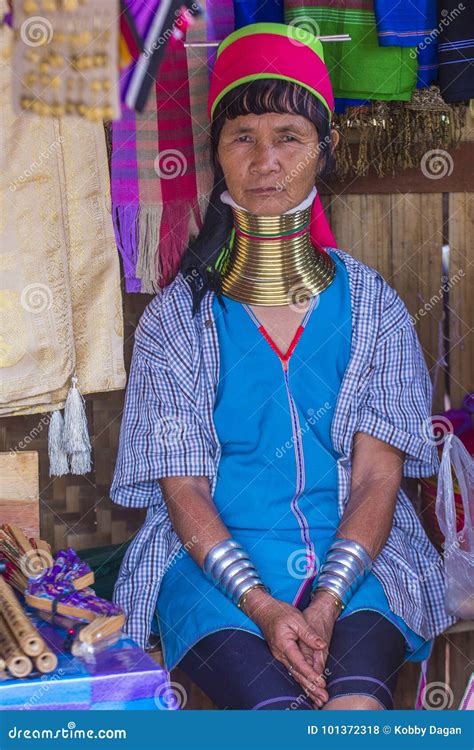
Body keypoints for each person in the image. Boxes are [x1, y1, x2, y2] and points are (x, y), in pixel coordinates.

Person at [110, 23, 457, 710]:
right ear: (217, 154)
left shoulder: (373, 308)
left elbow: (377, 478)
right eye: (243, 136)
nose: (265, 160)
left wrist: (326, 600)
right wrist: (266, 607)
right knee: (278, 715)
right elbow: (184, 493)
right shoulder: (176, 321)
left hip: (361, 568)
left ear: (322, 151)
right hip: (213, 574)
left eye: (289, 137)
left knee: (356, 707)